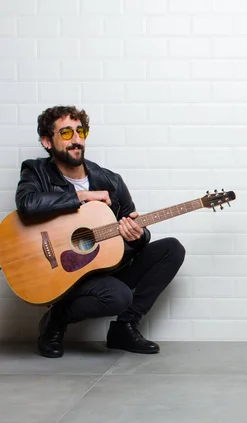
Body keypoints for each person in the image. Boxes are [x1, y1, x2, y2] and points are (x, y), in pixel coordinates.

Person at [15, 105, 186, 358]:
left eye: (80, 131)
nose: (75, 139)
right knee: (118, 296)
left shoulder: (111, 181)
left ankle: (124, 328)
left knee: (171, 249)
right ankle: (56, 320)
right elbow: (27, 204)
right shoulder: (36, 170)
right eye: (65, 133)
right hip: (61, 274)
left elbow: (131, 225)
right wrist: (81, 196)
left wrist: (138, 235)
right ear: (46, 141)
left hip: (101, 268)